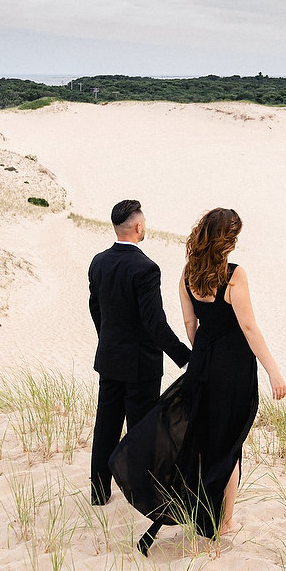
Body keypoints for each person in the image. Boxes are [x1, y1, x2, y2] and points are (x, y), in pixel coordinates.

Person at [110, 207, 286, 553]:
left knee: (204, 436)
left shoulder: (188, 274)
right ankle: (225, 521)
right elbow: (248, 327)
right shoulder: (234, 276)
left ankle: (201, 511)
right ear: (227, 240)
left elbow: (191, 326)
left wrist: (204, 355)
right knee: (230, 440)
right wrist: (272, 370)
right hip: (234, 367)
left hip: (203, 363)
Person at [88, 199, 192, 506]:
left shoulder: (98, 262)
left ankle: (99, 492)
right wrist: (185, 357)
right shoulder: (146, 268)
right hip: (140, 367)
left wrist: (107, 339)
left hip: (109, 359)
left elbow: (95, 308)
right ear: (138, 227)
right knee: (141, 432)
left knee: (106, 427)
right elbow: (154, 323)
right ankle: (141, 496)